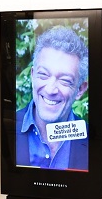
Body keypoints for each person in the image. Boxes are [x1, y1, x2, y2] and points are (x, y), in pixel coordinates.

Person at [16, 26, 89, 170]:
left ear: (80, 89)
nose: (50, 89)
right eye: (43, 75)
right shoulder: (5, 130)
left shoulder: (92, 142)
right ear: (32, 76)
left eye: (65, 80)